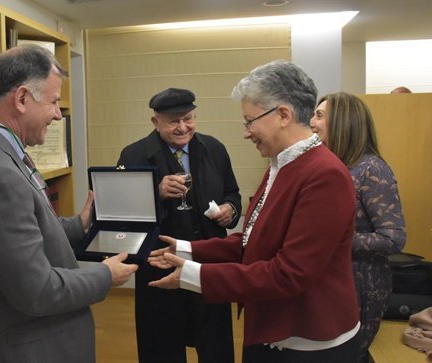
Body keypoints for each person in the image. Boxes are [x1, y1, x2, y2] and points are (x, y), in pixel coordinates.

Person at [147, 60, 361, 363]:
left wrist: (192, 275)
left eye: (250, 122)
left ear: (283, 115)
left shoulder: (324, 174)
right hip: (271, 326)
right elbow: (252, 240)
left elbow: (289, 274)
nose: (247, 133)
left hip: (306, 341)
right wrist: (186, 249)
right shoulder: (280, 163)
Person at [0, 44, 138, 363]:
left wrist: (80, 225)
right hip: (18, 348)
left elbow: (21, 236)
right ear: (21, 99)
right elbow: (36, 290)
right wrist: (105, 275)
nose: (59, 114)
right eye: (55, 101)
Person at [117, 87, 242, 363]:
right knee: (161, 345)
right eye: (174, 121)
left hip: (208, 262)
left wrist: (229, 210)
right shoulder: (133, 155)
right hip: (158, 264)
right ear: (156, 122)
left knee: (215, 344)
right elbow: (123, 217)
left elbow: (232, 193)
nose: (183, 127)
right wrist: (154, 193)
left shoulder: (215, 148)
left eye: (188, 118)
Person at [310, 92, 407, 362]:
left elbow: (393, 238)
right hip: (330, 280)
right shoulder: (331, 165)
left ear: (343, 122)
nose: (311, 122)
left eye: (319, 115)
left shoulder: (371, 168)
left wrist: (331, 241)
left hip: (361, 285)